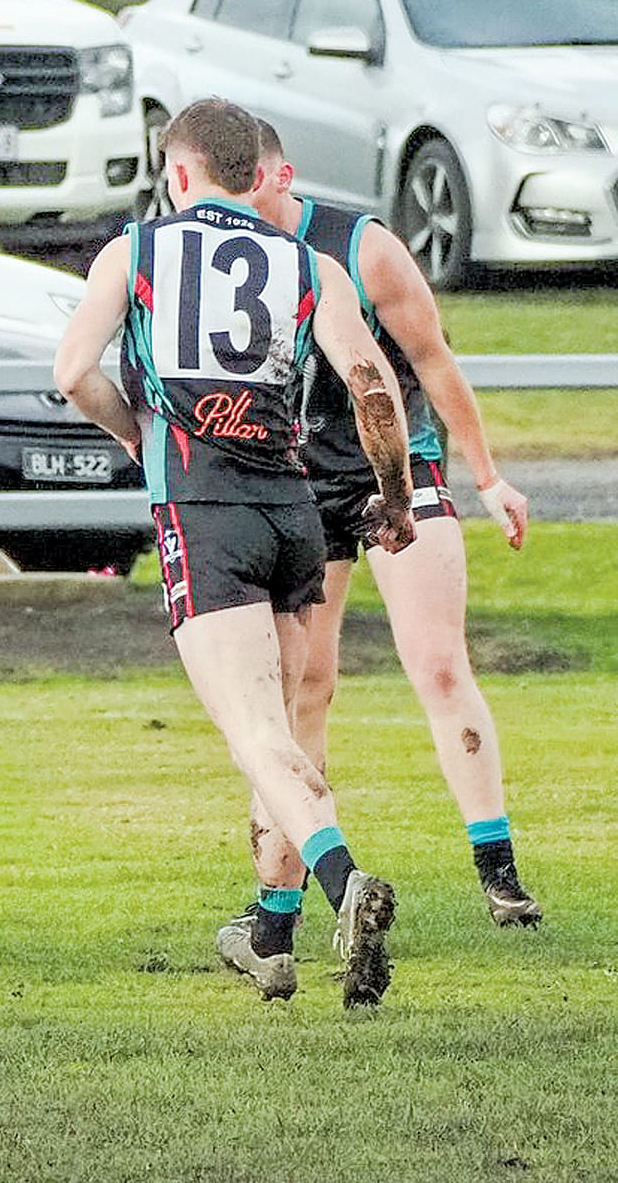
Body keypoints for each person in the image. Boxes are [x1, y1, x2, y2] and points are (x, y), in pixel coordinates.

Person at [52, 97, 418, 1009]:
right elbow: (371, 382)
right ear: (259, 177)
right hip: (294, 508)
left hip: (202, 507)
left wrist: (135, 432)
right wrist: (398, 493)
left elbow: (70, 373)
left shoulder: (134, 250)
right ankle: (270, 933)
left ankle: (347, 887)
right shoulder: (309, 260)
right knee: (281, 737)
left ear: (176, 174)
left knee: (254, 733)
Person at [211, 125, 538, 978]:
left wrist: (490, 477)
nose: (241, 198)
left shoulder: (361, 247)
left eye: (254, 181)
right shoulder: (218, 258)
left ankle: (498, 874)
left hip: (394, 466)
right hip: (294, 484)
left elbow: (431, 361)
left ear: (281, 174)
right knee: (303, 687)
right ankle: (280, 906)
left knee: (437, 664)